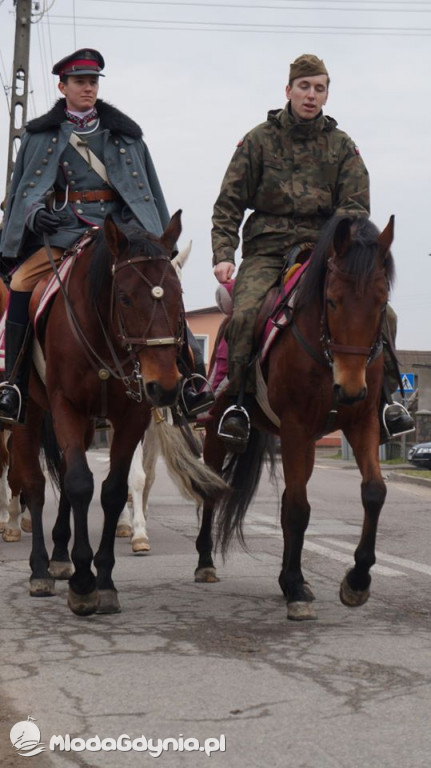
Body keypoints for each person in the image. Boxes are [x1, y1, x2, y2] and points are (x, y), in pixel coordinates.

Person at [211, 53, 414, 451]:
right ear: (288, 91)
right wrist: (224, 253)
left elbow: (356, 207)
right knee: (247, 311)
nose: (311, 95)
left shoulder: (342, 146)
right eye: (304, 87)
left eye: (319, 88)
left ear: (326, 95)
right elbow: (228, 204)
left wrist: (337, 247)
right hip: (267, 249)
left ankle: (388, 402)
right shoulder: (257, 141)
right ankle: (237, 403)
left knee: (381, 311)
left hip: (325, 249)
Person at [0, 48, 213, 423]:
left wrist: (138, 226)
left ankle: (191, 378)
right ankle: (14, 386)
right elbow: (26, 191)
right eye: (80, 82)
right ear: (62, 86)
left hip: (120, 236)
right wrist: (36, 217)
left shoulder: (126, 136)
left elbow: (144, 190)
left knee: (165, 283)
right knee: (18, 283)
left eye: (93, 81)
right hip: (64, 233)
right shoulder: (41, 135)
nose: (88, 88)